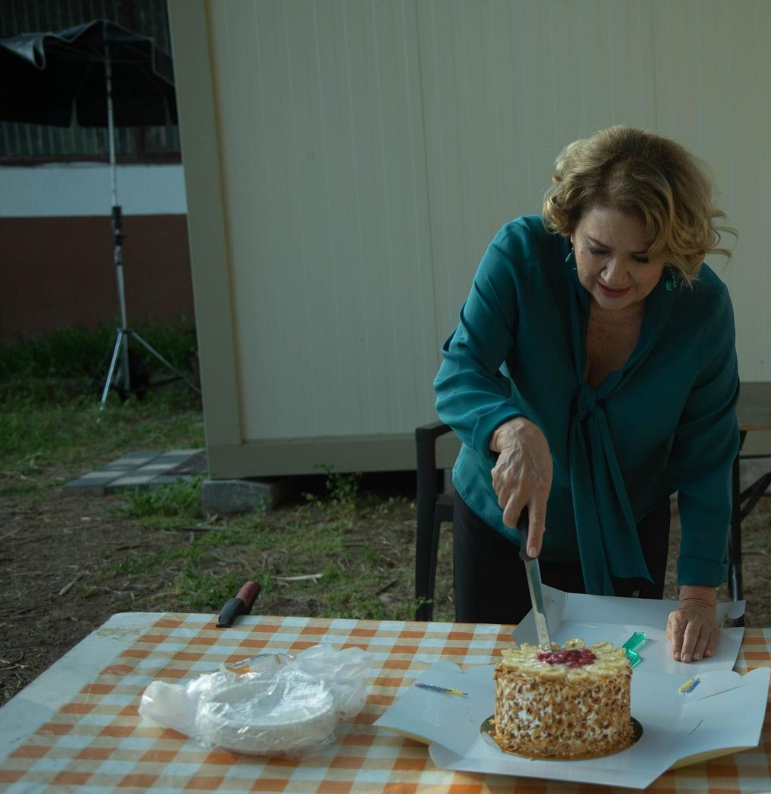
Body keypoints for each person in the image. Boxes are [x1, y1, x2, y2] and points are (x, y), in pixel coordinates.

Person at [434, 126, 739, 665]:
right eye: (597, 249)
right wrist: (509, 428)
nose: (615, 275)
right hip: (503, 519)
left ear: (673, 251)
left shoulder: (703, 308)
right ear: (568, 225)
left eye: (642, 258)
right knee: (496, 681)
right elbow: (461, 370)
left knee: (619, 686)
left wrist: (697, 596)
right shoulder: (519, 255)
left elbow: (707, 459)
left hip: (625, 529)